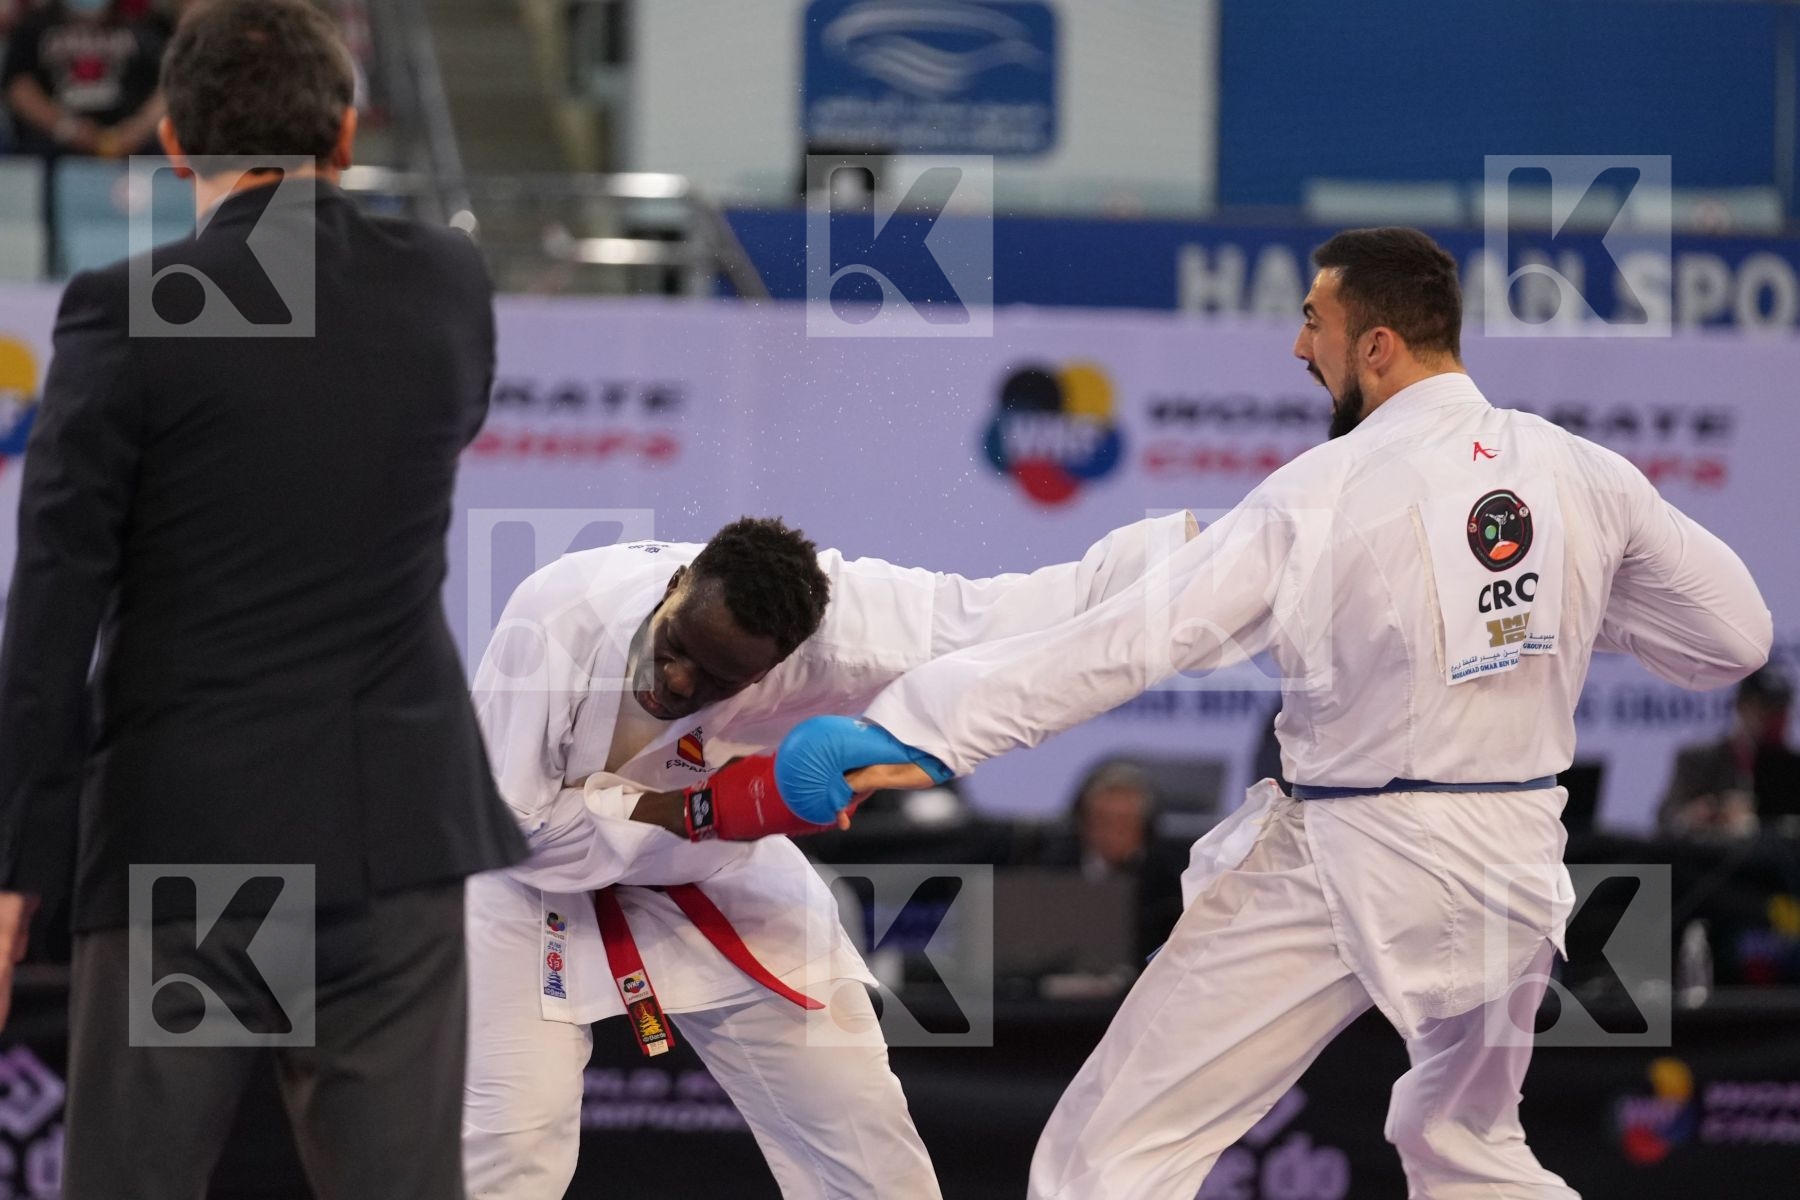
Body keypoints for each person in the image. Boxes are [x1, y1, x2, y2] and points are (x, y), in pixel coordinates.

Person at [777, 227, 1773, 1198]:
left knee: (1105, 1162)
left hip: (1352, 863)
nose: (1300, 347)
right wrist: (1572, 608)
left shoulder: (1320, 493)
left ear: (1375, 346)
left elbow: (1129, 640)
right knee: (1468, 1147)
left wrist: (924, 732)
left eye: (1314, 322)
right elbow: (1735, 639)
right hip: (1514, 869)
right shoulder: (1581, 472)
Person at [0, 3, 525, 1198]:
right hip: (392, 845)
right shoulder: (448, 283)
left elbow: (51, 621)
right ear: (344, 134)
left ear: (174, 141)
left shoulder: (122, 311)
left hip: (190, 855)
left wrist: (13, 870)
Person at [463, 510, 1194, 1199]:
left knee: (859, 1124)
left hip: (714, 871)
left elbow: (1015, 613)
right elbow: (511, 832)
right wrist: (704, 806)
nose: (681, 683)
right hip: (531, 893)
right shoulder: (557, 617)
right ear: (677, 586)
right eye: (675, 650)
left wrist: (1203, 564)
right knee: (511, 1143)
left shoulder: (851, 630)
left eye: (720, 679)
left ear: (783, 661)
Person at [1036, 759, 1184, 963]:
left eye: (1124, 822)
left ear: (1145, 826)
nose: (1112, 833)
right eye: (1103, 821)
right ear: (1082, 823)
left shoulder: (1169, 883)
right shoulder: (1055, 870)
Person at [2, 0, 165, 159]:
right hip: (52, 148)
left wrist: (137, 130)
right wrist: (65, 127)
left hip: (134, 149)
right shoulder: (35, 26)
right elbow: (19, 87)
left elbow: (168, 85)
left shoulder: (143, 25)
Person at [1658, 666, 1799, 837]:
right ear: (1741, 707)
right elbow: (1667, 819)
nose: (1773, 719)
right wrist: (1702, 814)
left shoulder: (1791, 768)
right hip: (1713, 859)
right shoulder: (1699, 760)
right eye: (1764, 709)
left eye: (1780, 710)